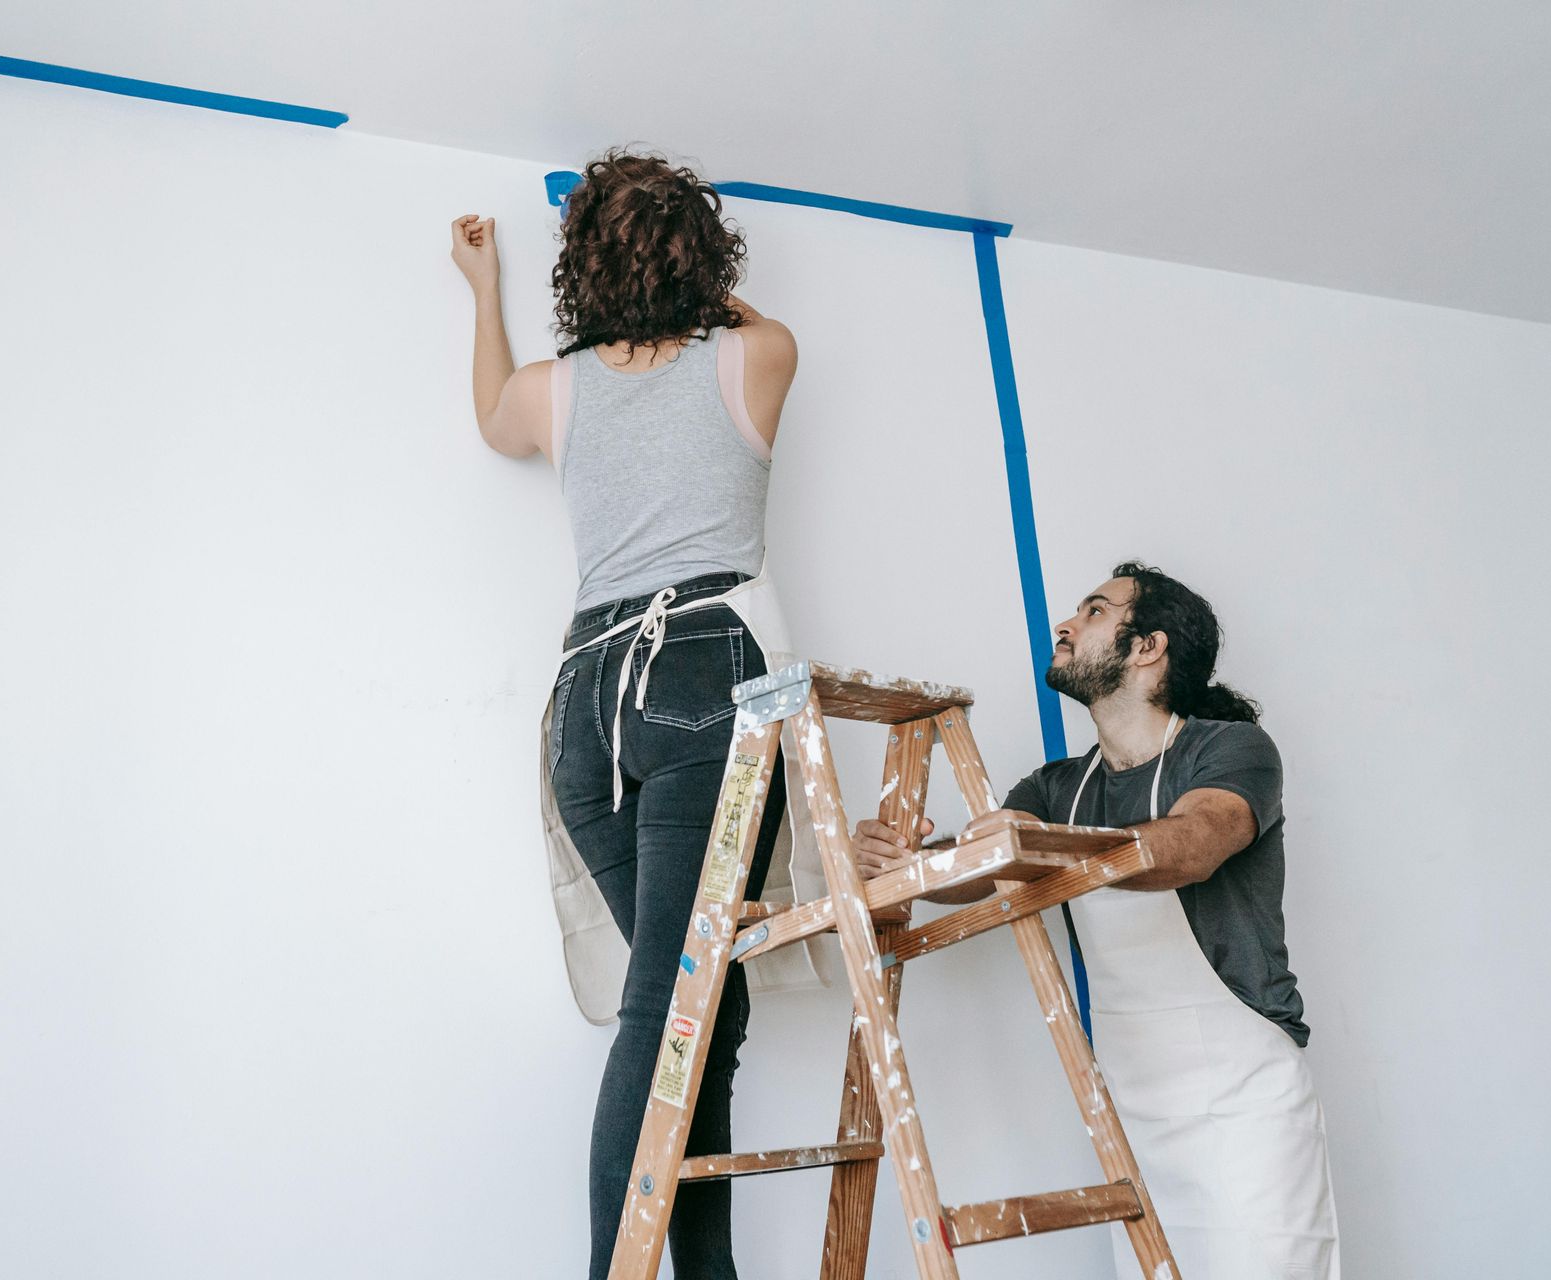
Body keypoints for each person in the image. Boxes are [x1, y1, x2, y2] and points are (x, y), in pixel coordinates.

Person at [450, 149, 822, 1280]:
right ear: (706, 263)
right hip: (703, 681)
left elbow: (488, 417)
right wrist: (680, 278)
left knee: (704, 1000)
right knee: (674, 998)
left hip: (587, 708)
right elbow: (750, 318)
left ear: (586, 273)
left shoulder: (551, 389)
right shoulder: (758, 355)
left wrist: (484, 291)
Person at [853, 561, 1341, 1278]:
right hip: (1133, 1115)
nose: (1066, 624)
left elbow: (1195, 845)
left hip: (1245, 1109)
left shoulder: (1228, 750)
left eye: (1094, 610)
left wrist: (1048, 848)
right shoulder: (1057, 787)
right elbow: (981, 864)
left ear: (1147, 648)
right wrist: (905, 860)